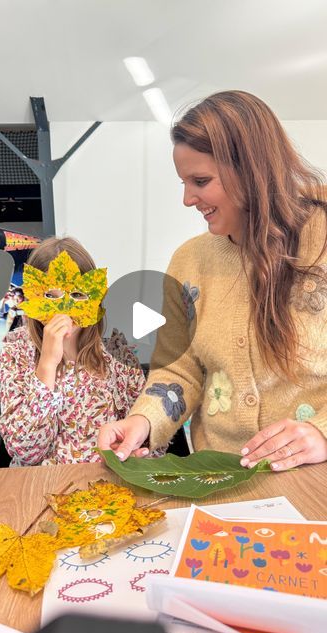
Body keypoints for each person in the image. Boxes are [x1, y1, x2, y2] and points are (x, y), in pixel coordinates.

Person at [98, 90, 327, 472]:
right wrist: (143, 422)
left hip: (314, 480)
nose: (188, 199)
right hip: (217, 479)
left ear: (253, 170)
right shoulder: (188, 261)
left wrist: (321, 432)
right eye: (184, 183)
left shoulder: (321, 238)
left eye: (201, 180)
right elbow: (179, 368)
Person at [0, 237, 146, 466]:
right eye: (51, 296)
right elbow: (25, 452)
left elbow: (146, 425)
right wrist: (47, 364)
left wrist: (133, 447)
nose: (64, 307)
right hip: (46, 485)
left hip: (111, 481)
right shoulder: (16, 352)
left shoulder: (118, 353)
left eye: (77, 295)